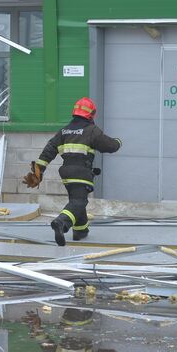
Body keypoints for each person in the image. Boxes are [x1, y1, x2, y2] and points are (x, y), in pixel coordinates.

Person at [21, 97, 121, 246]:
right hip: (81, 172)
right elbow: (110, 146)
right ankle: (61, 222)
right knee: (79, 201)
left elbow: (48, 151)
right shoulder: (91, 130)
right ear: (91, 114)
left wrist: (39, 171)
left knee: (77, 201)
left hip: (67, 174)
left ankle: (80, 231)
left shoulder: (64, 131)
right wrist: (118, 141)